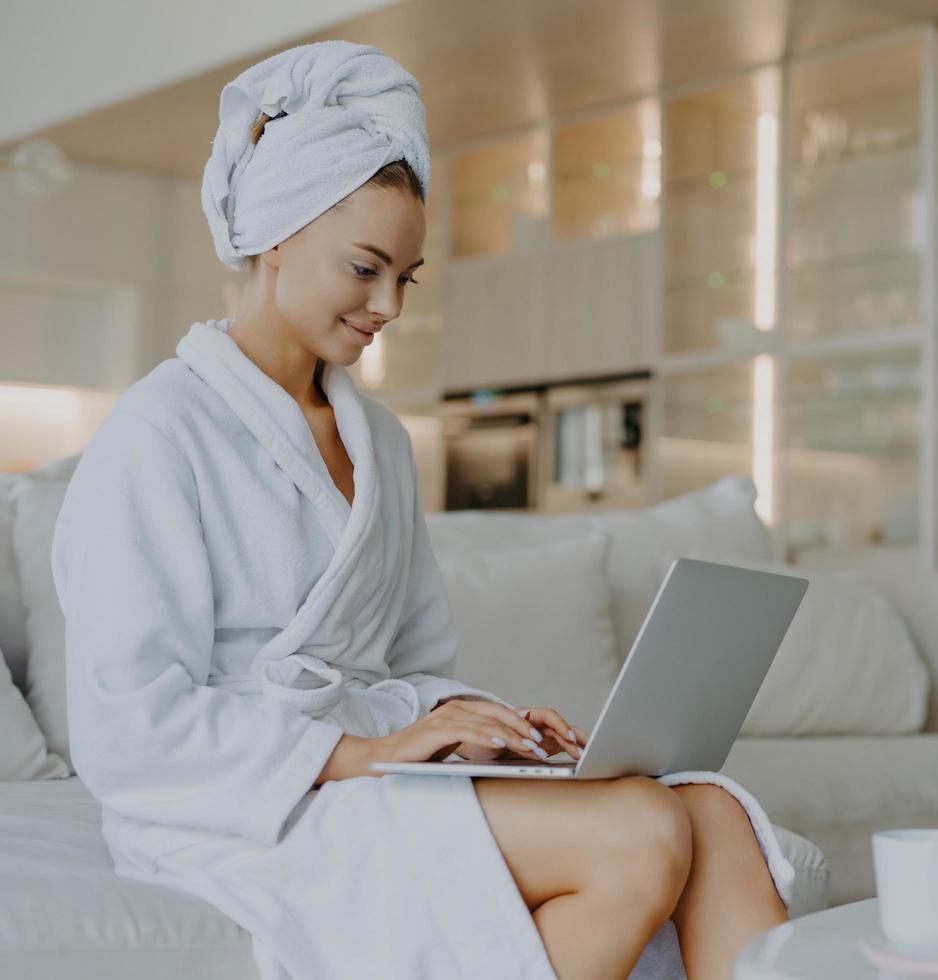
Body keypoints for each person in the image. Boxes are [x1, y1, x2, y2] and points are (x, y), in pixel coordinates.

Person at [50, 40, 790, 980]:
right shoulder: (159, 430)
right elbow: (130, 727)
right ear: (276, 232)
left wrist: (480, 721)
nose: (389, 305)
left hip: (365, 768)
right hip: (236, 800)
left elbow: (408, 666)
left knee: (712, 813)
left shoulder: (381, 444)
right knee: (638, 831)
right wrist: (365, 751)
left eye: (406, 276)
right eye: (365, 268)